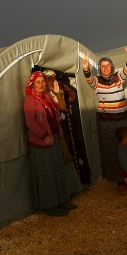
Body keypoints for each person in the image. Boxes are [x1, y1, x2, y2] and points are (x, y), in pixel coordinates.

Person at [23, 71, 76, 217]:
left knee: (57, 170)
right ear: (32, 84)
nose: (40, 84)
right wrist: (44, 135)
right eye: (37, 82)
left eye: (42, 81)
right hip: (41, 142)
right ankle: (50, 206)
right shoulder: (30, 100)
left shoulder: (46, 96)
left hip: (53, 138)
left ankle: (62, 200)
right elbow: (30, 122)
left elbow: (55, 114)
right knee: (47, 175)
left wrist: (58, 130)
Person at [82, 46, 127, 189]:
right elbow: (89, 79)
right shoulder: (97, 81)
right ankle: (119, 181)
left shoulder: (118, 78)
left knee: (126, 148)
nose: (105, 68)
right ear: (100, 68)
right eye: (102, 66)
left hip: (122, 119)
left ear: (111, 67)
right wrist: (86, 69)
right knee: (111, 150)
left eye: (107, 65)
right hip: (106, 122)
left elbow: (126, 71)